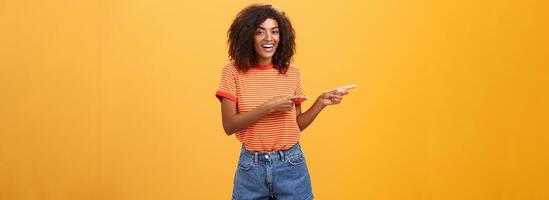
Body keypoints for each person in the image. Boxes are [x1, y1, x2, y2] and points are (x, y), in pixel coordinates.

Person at [215, 4, 350, 200]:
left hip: (291, 164)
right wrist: (270, 106)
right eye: (260, 32)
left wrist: (321, 102)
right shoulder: (232, 72)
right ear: (247, 36)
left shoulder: (292, 72)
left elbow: (296, 124)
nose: (269, 39)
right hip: (251, 168)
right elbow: (229, 125)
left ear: (282, 36)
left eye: (274, 32)